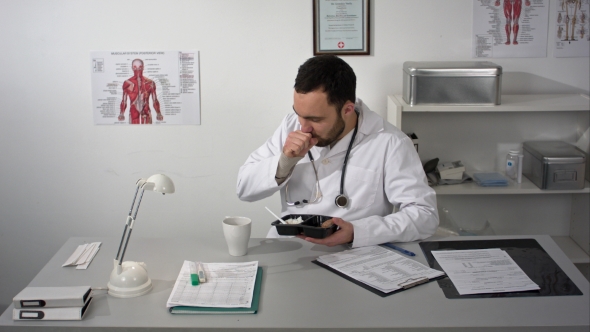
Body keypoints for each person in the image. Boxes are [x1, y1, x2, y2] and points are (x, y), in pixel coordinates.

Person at [236, 55, 438, 248]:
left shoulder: (390, 142)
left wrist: (358, 231)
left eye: (316, 119)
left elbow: (425, 216)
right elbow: (244, 189)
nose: (304, 128)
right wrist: (284, 163)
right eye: (299, 115)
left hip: (353, 254)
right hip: (291, 249)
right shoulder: (290, 126)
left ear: (347, 109)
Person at [118, 59, 163, 124]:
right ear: (132, 68)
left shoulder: (150, 83)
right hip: (133, 113)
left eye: (140, 67)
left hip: (146, 112)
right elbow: (124, 101)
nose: (137, 70)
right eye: (135, 67)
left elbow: (155, 100)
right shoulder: (127, 83)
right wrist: (121, 113)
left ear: (143, 67)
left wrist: (158, 113)